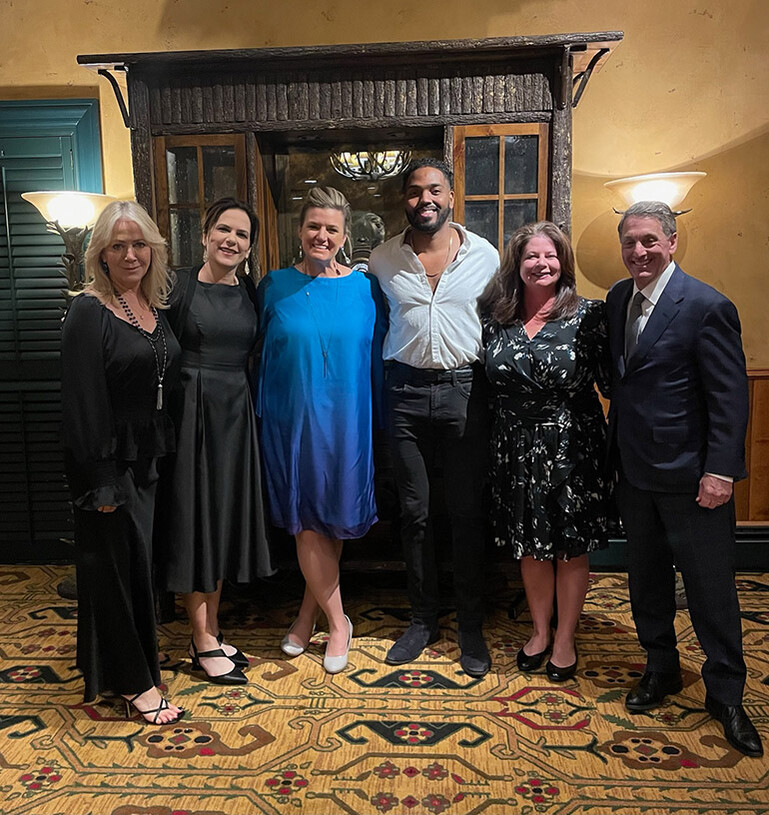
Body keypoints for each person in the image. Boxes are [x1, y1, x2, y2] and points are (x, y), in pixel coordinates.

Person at [607, 200, 762, 757]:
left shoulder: (706, 305)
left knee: (710, 590)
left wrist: (721, 472)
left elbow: (730, 398)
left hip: (694, 478)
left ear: (672, 243)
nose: (639, 252)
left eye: (649, 241)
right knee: (645, 583)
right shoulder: (619, 299)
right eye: (630, 242)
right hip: (635, 475)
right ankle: (661, 667)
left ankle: (726, 694)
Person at [369, 158, 498, 678]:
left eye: (435, 190)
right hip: (403, 393)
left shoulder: (486, 256)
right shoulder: (381, 258)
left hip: (466, 391)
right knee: (415, 513)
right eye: (416, 191)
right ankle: (422, 619)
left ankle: (470, 623)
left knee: (466, 512)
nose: (426, 199)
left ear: (451, 196)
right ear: (405, 200)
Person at [61, 200, 183, 725]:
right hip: (108, 466)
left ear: (153, 250)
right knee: (112, 572)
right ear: (100, 254)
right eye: (118, 245)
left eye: (139, 245)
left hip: (147, 460)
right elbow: (84, 403)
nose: (131, 254)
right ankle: (135, 684)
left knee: (136, 571)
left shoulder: (152, 305)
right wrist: (102, 480)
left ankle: (134, 669)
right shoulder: (88, 311)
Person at [256, 186, 386, 674]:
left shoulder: (365, 288)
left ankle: (307, 613)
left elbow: (376, 356)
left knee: (332, 516)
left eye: (332, 228)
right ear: (299, 230)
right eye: (314, 226)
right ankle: (339, 622)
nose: (322, 235)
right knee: (307, 519)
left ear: (345, 235)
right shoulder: (273, 286)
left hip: (349, 419)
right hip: (293, 422)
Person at [480, 221, 611, 682]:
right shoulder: (494, 317)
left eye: (550, 256)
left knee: (569, 547)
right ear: (517, 265)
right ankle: (538, 630)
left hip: (572, 444)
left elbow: (615, 382)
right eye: (532, 256)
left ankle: (565, 636)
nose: (542, 264)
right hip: (513, 446)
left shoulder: (591, 315)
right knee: (530, 545)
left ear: (563, 262)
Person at [159, 197, 275, 685]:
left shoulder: (249, 290)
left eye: (242, 235)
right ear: (205, 234)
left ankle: (212, 628)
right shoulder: (176, 285)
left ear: (249, 247)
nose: (231, 240)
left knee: (222, 520)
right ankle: (203, 639)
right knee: (194, 521)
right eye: (223, 230)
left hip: (235, 414)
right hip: (191, 415)